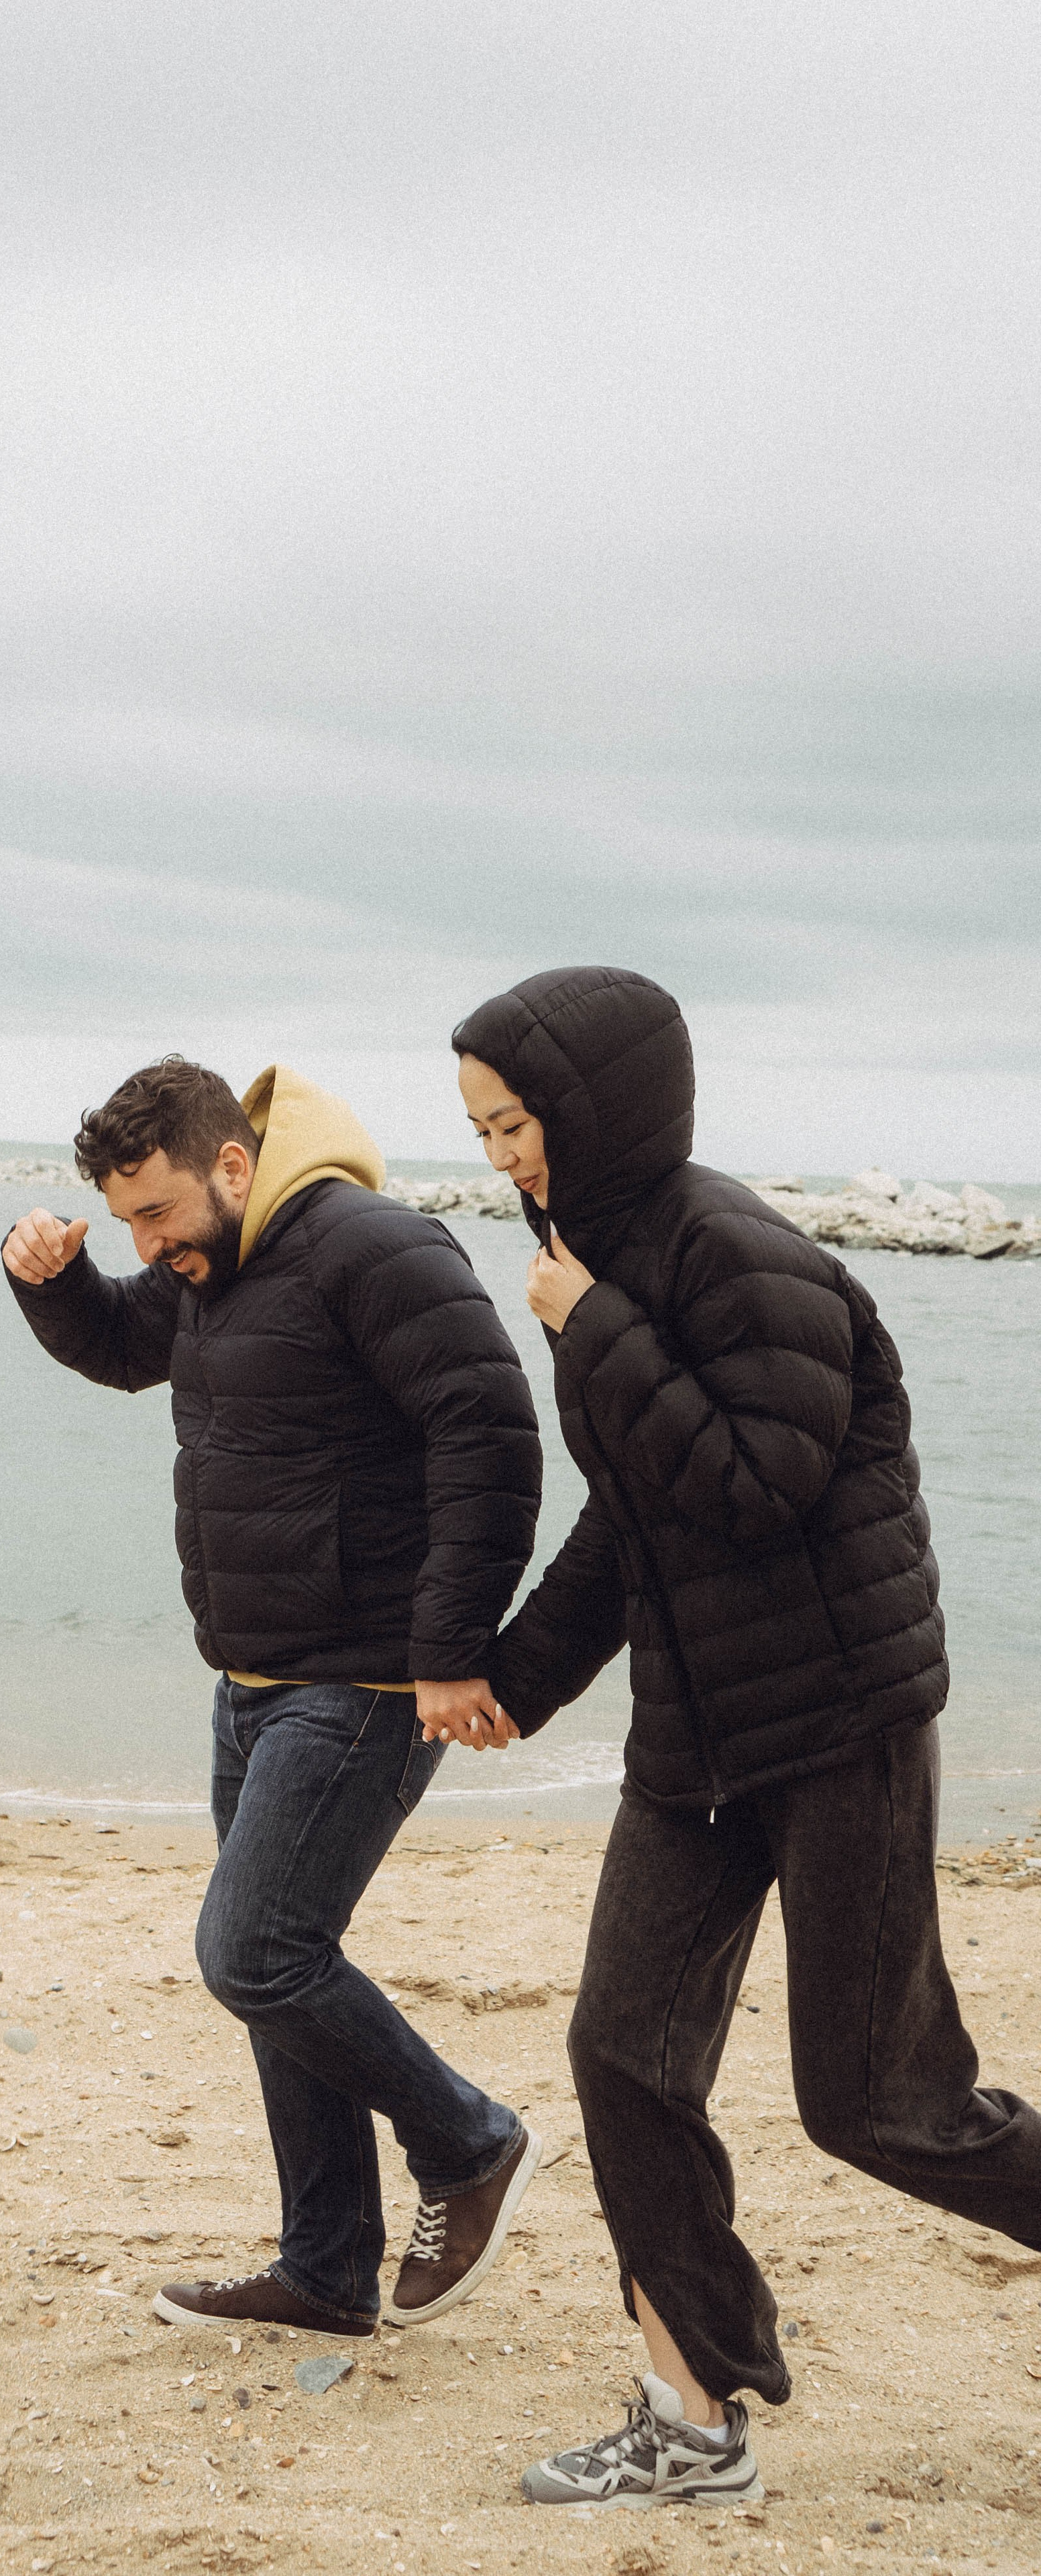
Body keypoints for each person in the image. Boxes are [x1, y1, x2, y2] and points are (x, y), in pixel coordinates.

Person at [433, 963, 1041, 2508]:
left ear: (596, 1106)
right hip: (693, 1737)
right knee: (620, 2057)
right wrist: (516, 1678)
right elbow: (633, 1515)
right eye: (483, 1130)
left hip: (838, 1722)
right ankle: (689, 2421)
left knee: (877, 2106)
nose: (500, 1157)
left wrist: (593, 1329)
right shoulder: (594, 1259)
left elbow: (754, 1486)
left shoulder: (735, 1252)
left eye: (515, 1123)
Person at [2, 1055, 545, 2336]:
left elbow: (490, 1432)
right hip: (251, 1679)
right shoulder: (213, 1265)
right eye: (126, 1220)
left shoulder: (373, 1248)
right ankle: (326, 2268)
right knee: (281, 1974)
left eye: (156, 1213)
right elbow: (123, 1345)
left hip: (363, 1681)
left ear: (233, 1166)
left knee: (255, 1952)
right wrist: (55, 1283)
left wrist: (450, 1648)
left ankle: (469, 2142)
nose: (147, 1244)